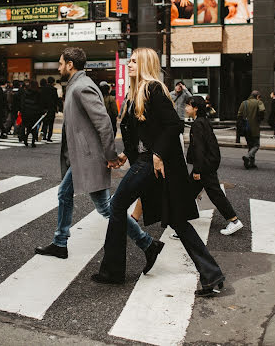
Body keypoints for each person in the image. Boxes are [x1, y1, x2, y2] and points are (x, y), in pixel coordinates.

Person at [92, 48, 225, 297]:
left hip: (153, 163)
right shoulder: (136, 92)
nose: (128, 65)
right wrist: (124, 154)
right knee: (175, 219)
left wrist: (157, 154)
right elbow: (143, 133)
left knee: (117, 205)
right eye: (129, 61)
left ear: (144, 64)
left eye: (133, 61)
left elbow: (173, 125)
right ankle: (211, 274)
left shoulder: (153, 88)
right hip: (148, 161)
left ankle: (113, 271)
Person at [35, 47, 160, 268]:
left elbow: (103, 123)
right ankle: (60, 242)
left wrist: (110, 155)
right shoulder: (75, 86)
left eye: (61, 63)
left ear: (70, 65)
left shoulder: (82, 87)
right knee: (64, 193)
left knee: (105, 208)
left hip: (90, 157)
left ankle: (147, 243)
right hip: (82, 157)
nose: (58, 67)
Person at [185, 95, 244, 236]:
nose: (186, 107)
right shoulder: (202, 121)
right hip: (208, 163)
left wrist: (197, 170)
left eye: (188, 105)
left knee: (214, 193)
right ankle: (181, 223)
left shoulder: (198, 124)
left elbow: (199, 148)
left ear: (195, 108)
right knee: (189, 193)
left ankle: (234, 221)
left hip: (205, 166)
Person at [237, 90, 265, 169]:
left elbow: (239, 115)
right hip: (255, 127)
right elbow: (262, 110)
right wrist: (260, 118)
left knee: (250, 145)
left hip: (245, 128)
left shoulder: (244, 103)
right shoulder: (258, 102)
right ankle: (248, 156)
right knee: (256, 145)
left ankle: (251, 163)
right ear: (257, 96)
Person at [20, 80, 43, 148]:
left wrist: (22, 111)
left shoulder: (26, 92)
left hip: (26, 112)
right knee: (34, 127)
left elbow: (22, 102)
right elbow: (40, 104)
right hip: (34, 112)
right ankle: (33, 141)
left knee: (27, 126)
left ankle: (25, 139)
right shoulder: (38, 93)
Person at [40, 77, 58, 142]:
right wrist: (56, 108)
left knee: (45, 123)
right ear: (53, 82)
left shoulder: (43, 89)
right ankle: (49, 137)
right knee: (51, 124)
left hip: (45, 109)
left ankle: (43, 135)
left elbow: (41, 99)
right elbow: (56, 100)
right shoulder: (54, 90)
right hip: (52, 108)